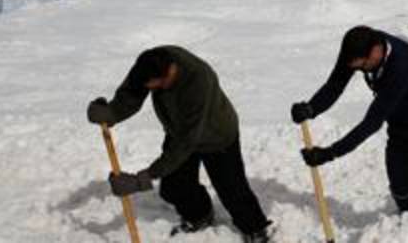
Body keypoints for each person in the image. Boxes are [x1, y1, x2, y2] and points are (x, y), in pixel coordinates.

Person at [290, 26, 408, 224]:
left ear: (376, 50)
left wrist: (331, 153)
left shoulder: (402, 62)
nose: (361, 69)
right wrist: (311, 108)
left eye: (363, 65)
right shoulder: (356, 49)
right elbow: (335, 85)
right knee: (403, 193)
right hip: (400, 125)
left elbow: (372, 122)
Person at [86, 47, 273, 242]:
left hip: (216, 135)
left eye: (154, 85)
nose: (150, 89)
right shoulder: (150, 63)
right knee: (174, 187)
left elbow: (185, 143)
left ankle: (255, 229)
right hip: (178, 130)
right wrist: (112, 113)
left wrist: (142, 179)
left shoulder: (198, 80)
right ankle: (199, 215)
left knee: (232, 189)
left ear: (170, 72)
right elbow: (133, 91)